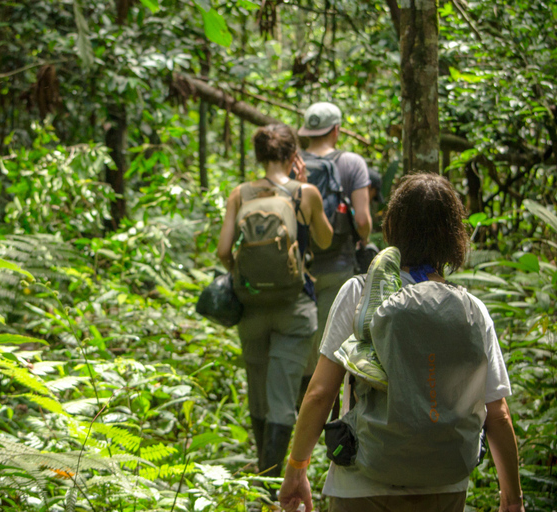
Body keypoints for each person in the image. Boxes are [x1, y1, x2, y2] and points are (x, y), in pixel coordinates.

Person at [278, 173, 525, 512]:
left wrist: (296, 469)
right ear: (455, 236)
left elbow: (321, 393)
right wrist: (512, 498)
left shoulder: (359, 293)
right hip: (445, 485)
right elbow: (497, 415)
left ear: (391, 225)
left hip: (362, 484)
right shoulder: (471, 310)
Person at [216, 124, 333, 497]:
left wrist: (246, 278)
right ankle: (270, 489)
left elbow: (222, 251)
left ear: (259, 155)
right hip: (293, 309)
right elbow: (325, 240)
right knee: (283, 397)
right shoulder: (305, 193)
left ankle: (262, 480)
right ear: (292, 154)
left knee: (259, 395)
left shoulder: (240, 194)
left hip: (251, 309)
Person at [294, 102, 372, 396]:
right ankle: (338, 420)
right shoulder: (352, 163)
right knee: (336, 347)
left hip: (299, 268)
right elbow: (362, 220)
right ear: (336, 130)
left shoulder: (293, 164)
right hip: (339, 267)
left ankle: (303, 414)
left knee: (305, 348)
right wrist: (363, 237)